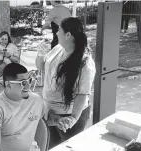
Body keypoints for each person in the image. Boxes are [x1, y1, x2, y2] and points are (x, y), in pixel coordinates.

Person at [36, 17, 96, 148]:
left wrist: (73, 119)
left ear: (68, 35)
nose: (56, 33)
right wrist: (40, 54)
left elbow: (82, 94)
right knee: (51, 146)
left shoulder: (85, 63)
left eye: (59, 30)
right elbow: (40, 67)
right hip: (49, 111)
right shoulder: (58, 48)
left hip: (68, 117)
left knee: (69, 147)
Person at [0, 63, 44, 151]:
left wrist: (58, 120)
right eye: (23, 83)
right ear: (8, 84)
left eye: (29, 80)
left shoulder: (36, 100)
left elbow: (42, 122)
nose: (28, 86)